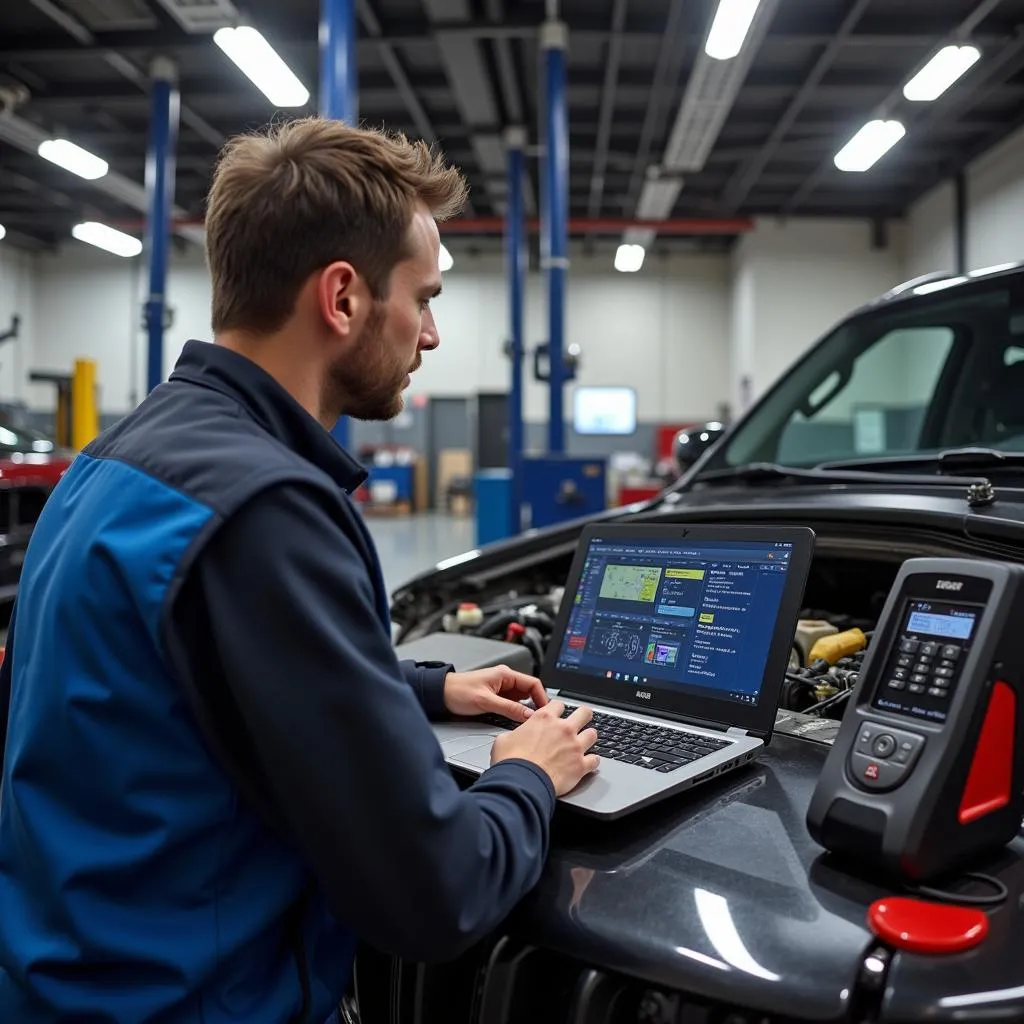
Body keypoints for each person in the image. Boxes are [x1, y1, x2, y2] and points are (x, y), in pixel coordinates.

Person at [0, 117, 599, 1023]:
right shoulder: (269, 507)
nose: (430, 334)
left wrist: (431, 691)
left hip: (64, 979)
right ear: (344, 298)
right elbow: (435, 894)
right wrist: (530, 774)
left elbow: (188, 676)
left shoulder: (118, 460)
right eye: (425, 299)